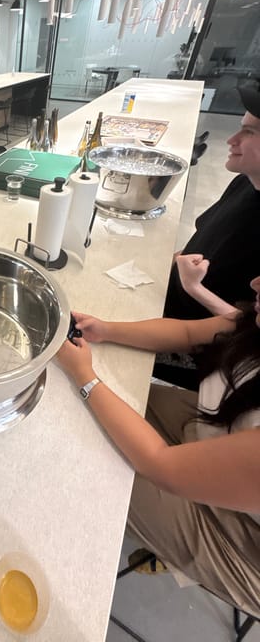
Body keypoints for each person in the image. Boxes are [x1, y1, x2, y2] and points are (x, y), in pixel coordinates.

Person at [56, 290, 260, 617]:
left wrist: (85, 377)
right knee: (116, 407)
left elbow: (160, 464)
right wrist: (106, 329)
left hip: (239, 536)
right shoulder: (254, 321)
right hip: (215, 427)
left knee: (98, 462)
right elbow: (189, 333)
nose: (253, 282)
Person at [163, 85, 260, 322]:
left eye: (249, 132)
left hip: (191, 331)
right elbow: (198, 245)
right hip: (165, 295)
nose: (231, 140)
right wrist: (159, 264)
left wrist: (194, 287)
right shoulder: (245, 182)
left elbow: (248, 332)